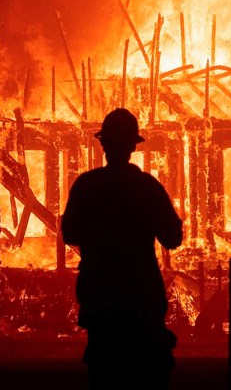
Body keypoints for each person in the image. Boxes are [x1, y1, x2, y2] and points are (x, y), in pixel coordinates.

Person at [61, 108, 184, 389]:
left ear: (103, 145)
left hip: (100, 295)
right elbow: (172, 238)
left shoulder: (86, 186)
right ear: (133, 146)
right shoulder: (148, 188)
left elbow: (69, 232)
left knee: (105, 372)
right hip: (142, 295)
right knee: (147, 373)